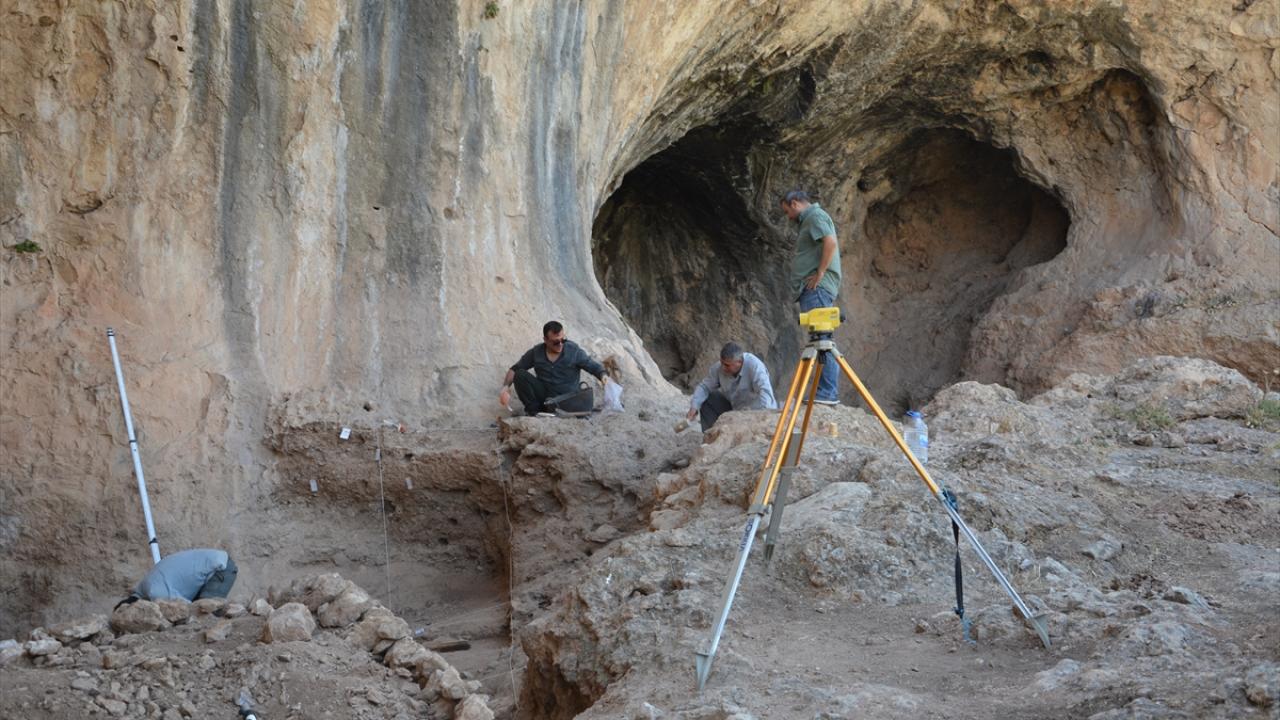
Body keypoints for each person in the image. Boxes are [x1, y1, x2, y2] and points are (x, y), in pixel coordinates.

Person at [781, 189, 841, 405]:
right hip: (814, 289)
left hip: (817, 288)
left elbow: (830, 242)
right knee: (820, 340)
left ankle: (827, 392)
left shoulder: (815, 216)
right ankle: (825, 391)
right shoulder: (810, 219)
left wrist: (820, 273)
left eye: (787, 211)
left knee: (823, 340)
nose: (788, 216)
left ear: (795, 203)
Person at [499, 321, 610, 416]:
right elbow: (515, 368)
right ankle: (534, 412)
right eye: (556, 342)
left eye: (563, 340)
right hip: (545, 398)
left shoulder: (573, 351)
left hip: (567, 399)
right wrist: (505, 387)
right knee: (520, 374)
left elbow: (591, 365)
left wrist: (603, 375)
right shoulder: (537, 352)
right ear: (545, 340)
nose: (560, 344)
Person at [687, 342, 777, 431]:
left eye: (727, 365)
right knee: (708, 398)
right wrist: (694, 407)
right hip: (735, 411)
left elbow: (765, 392)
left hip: (755, 414)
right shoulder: (719, 368)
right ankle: (711, 435)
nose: (723, 368)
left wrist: (765, 419)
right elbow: (704, 387)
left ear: (739, 362)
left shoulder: (755, 366)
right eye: (722, 363)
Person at [117, 548, 238, 606]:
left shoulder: (156, 592)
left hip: (221, 568)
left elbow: (186, 608)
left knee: (204, 611)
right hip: (212, 561)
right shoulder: (143, 587)